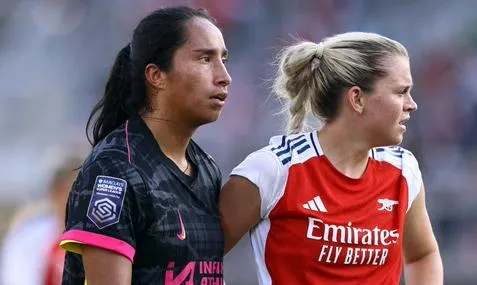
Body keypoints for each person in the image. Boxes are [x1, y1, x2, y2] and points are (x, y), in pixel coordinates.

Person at [220, 32, 443, 284]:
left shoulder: (403, 169)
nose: (411, 104)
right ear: (357, 99)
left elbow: (422, 255)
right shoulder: (272, 170)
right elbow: (196, 258)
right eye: (401, 92)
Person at [59, 6, 231, 285]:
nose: (224, 76)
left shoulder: (206, 169)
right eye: (204, 59)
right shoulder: (114, 170)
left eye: (223, 59)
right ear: (156, 75)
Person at [0, 148, 84, 285]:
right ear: (54, 192)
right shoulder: (27, 236)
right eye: (72, 190)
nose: (80, 199)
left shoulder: (98, 237)